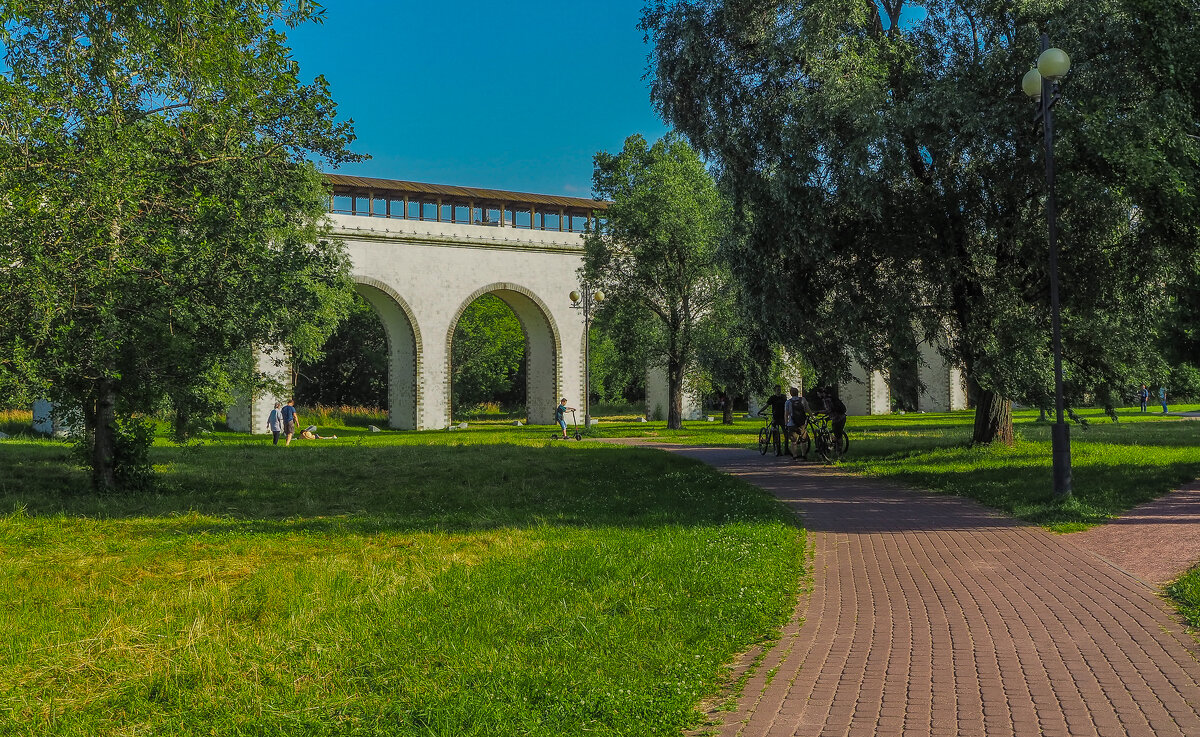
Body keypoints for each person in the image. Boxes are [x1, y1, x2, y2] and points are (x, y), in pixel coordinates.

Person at [757, 385, 788, 456]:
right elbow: (767, 405)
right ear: (775, 391)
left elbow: (787, 405)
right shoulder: (772, 398)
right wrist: (760, 411)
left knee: (786, 433)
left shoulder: (783, 397)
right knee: (775, 432)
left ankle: (786, 450)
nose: (779, 391)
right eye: (777, 390)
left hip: (783, 417)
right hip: (775, 417)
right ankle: (777, 449)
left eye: (780, 389)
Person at [785, 386, 810, 460]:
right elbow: (808, 409)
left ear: (791, 393)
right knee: (803, 440)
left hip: (792, 424)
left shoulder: (788, 402)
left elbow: (786, 414)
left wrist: (786, 423)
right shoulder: (803, 399)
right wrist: (812, 416)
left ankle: (795, 456)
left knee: (793, 441)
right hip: (802, 423)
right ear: (797, 393)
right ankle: (804, 455)